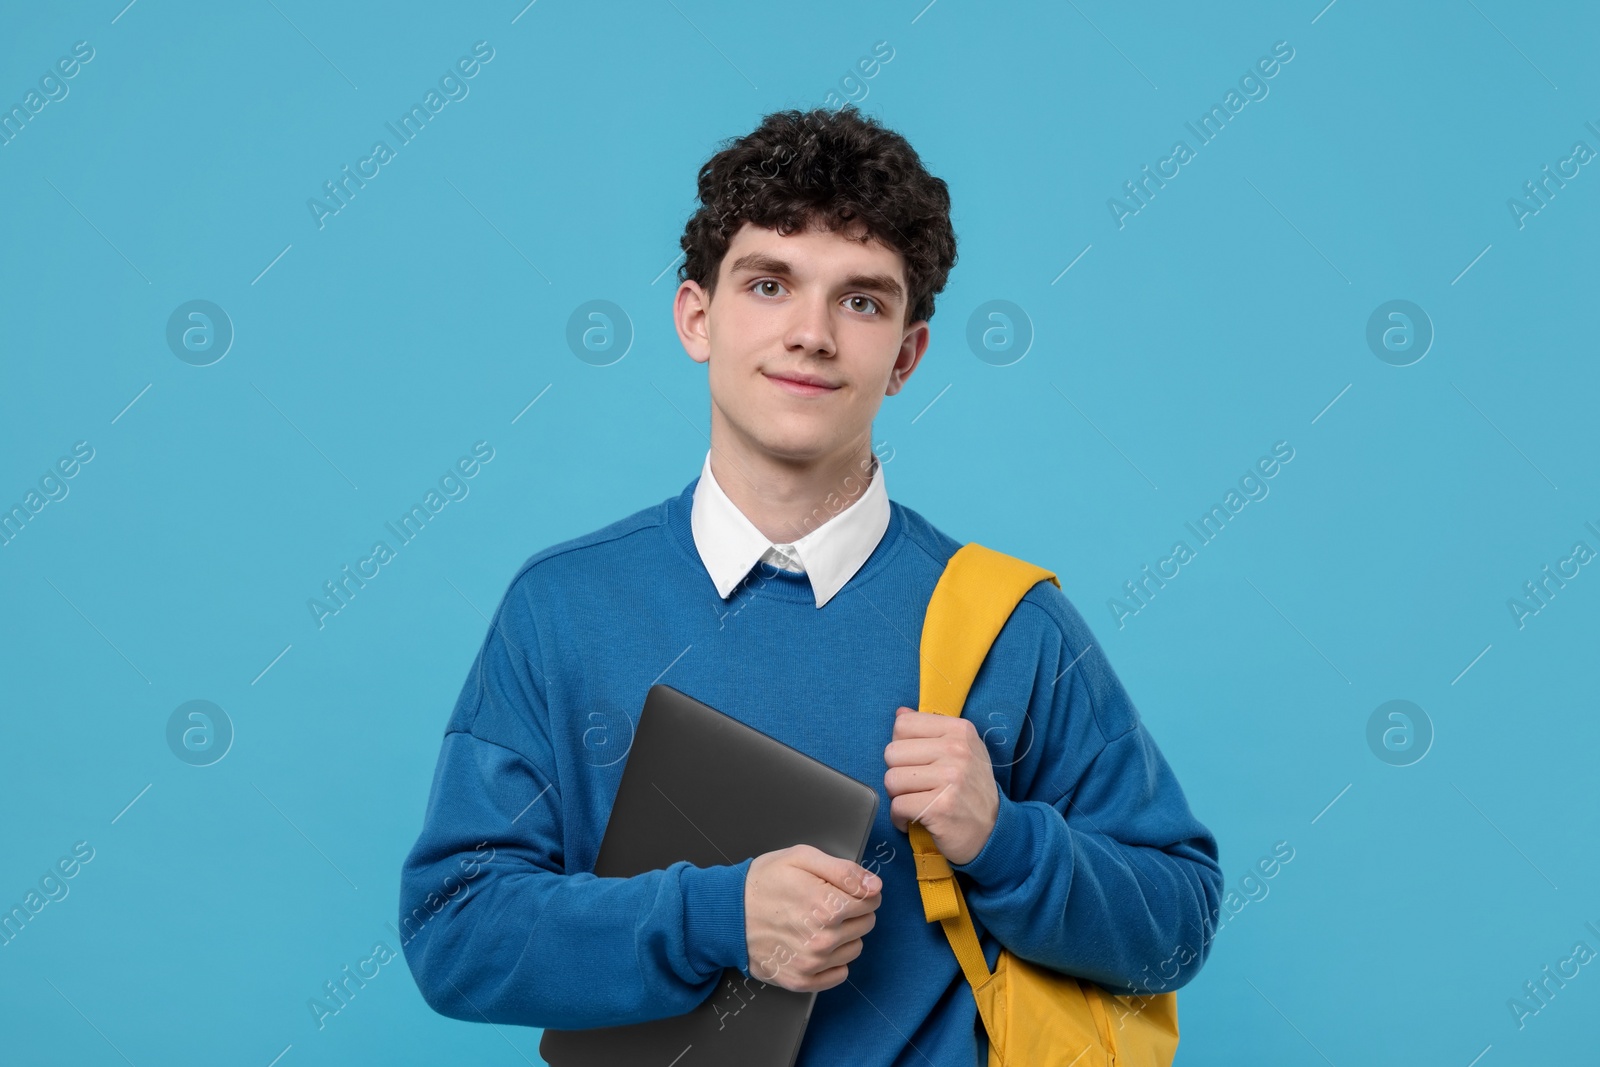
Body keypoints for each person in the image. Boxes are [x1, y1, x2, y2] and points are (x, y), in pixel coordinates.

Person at [399, 104, 1223, 1065]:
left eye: (863, 301)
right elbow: (453, 931)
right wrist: (716, 917)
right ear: (696, 319)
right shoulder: (562, 608)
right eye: (769, 283)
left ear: (906, 356)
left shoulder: (1009, 627)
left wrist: (1005, 839)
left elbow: (1179, 928)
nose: (812, 334)